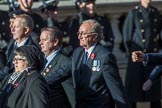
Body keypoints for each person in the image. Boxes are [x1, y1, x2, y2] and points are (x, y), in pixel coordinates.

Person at [72, 19, 128, 108]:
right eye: (79, 33)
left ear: (94, 36)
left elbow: (115, 87)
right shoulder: (77, 53)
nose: (79, 37)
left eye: (83, 34)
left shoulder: (105, 56)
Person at [123, 0, 162, 107]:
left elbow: (159, 34)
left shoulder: (155, 12)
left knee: (154, 93)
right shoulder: (134, 12)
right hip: (137, 56)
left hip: (153, 55)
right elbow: (127, 37)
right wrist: (132, 54)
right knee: (133, 91)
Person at [39, 27, 75, 108]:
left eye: (44, 40)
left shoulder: (64, 63)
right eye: (40, 40)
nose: (40, 43)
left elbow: (71, 95)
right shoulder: (40, 61)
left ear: (55, 42)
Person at [0, 14, 40, 81]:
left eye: (16, 27)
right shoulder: (12, 45)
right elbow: (7, 70)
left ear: (26, 30)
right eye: (12, 26)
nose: (12, 30)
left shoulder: (31, 50)